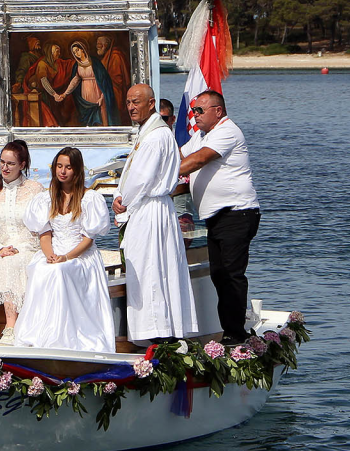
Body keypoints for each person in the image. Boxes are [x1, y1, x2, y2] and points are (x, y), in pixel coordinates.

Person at [112, 84, 198, 343]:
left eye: (136, 102)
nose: (131, 107)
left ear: (151, 103)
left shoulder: (155, 136)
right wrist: (121, 196)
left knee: (151, 268)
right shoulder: (148, 133)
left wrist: (122, 201)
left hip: (150, 210)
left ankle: (158, 332)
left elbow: (141, 177)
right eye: (128, 102)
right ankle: (156, 331)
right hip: (148, 208)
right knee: (152, 266)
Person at [178, 90, 261, 344]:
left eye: (200, 110)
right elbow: (181, 155)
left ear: (218, 111)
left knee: (231, 273)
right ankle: (230, 328)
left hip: (236, 213)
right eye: (193, 111)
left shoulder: (227, 131)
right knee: (218, 273)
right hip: (216, 216)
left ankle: (235, 333)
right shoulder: (202, 135)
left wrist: (159, 176)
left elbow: (198, 160)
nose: (195, 115)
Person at [14, 147, 115, 352]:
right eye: (59, 166)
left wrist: (66, 257)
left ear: (77, 170)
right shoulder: (47, 197)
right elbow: (45, 234)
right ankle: (41, 333)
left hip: (80, 254)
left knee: (60, 272)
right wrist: (49, 254)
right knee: (41, 270)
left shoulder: (89, 198)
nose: (63, 171)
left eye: (68, 167)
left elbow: (88, 239)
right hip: (54, 251)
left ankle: (65, 337)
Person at [0, 140, 44, 345]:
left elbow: (39, 226)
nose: (4, 167)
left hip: (25, 244)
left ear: (22, 165)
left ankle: (11, 329)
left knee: (15, 264)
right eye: (2, 162)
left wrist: (19, 247)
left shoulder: (35, 189)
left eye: (10, 164)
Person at [53, 40, 117, 127]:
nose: (76, 53)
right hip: (85, 96)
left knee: (99, 119)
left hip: (97, 93)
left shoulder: (95, 62)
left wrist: (103, 96)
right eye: (74, 52)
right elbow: (75, 81)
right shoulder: (77, 65)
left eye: (77, 50)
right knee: (88, 122)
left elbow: (104, 81)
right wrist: (65, 94)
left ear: (82, 49)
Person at [96, 35, 130, 124]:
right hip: (106, 90)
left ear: (106, 45)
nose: (97, 47)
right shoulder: (106, 57)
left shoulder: (115, 56)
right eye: (97, 44)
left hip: (115, 91)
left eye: (99, 44)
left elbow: (118, 78)